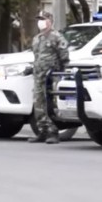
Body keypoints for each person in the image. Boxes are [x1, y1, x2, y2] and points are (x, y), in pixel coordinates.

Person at [28, 11, 69, 144]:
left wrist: (60, 73)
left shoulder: (57, 37)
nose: (40, 21)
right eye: (39, 19)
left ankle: (53, 131)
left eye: (43, 19)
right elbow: (37, 56)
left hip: (51, 76)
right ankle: (42, 130)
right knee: (38, 103)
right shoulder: (37, 38)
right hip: (38, 75)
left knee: (50, 104)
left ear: (50, 21)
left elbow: (64, 57)